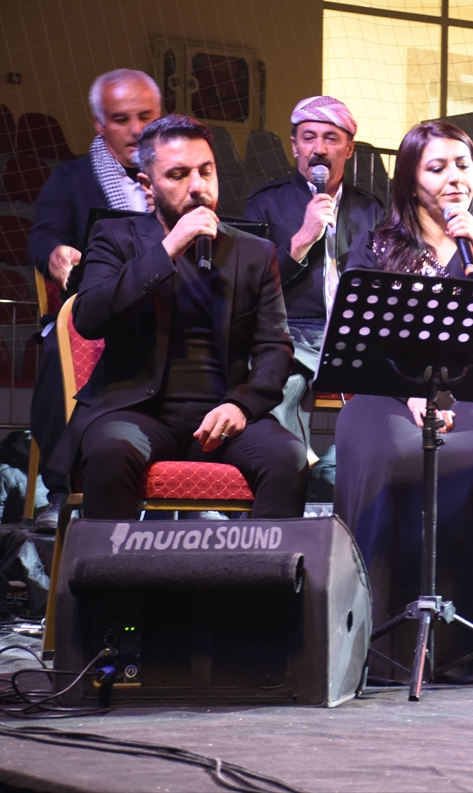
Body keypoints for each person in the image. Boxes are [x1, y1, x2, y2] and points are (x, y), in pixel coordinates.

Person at [335, 121, 473, 683]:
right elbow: (365, 338)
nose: (455, 177)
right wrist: (412, 393)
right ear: (411, 181)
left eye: (463, 165)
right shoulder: (379, 244)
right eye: (437, 168)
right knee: (390, 455)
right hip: (390, 388)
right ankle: (382, 645)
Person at [48, 115, 308, 520]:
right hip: (138, 412)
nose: (198, 186)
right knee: (111, 451)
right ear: (147, 186)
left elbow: (275, 347)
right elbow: (88, 317)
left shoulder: (255, 252)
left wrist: (241, 406)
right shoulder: (116, 238)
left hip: (222, 414)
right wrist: (168, 249)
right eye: (178, 175)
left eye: (206, 171)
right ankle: (111, 564)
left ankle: (259, 564)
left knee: (288, 457)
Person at [27, 69, 162, 523]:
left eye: (146, 116)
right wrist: (54, 253)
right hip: (95, 312)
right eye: (121, 119)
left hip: (167, 312)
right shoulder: (71, 178)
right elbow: (42, 235)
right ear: (99, 124)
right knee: (59, 351)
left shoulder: (179, 173)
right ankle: (61, 489)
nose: (137, 129)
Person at [242, 96, 383, 457]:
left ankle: (339, 471)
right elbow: (247, 289)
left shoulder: (372, 209)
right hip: (287, 334)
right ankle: (291, 466)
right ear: (295, 146)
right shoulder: (264, 204)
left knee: (390, 396)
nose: (318, 149)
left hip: (353, 336)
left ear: (348, 148)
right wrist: (302, 240)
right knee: (278, 390)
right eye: (308, 137)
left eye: (331, 138)